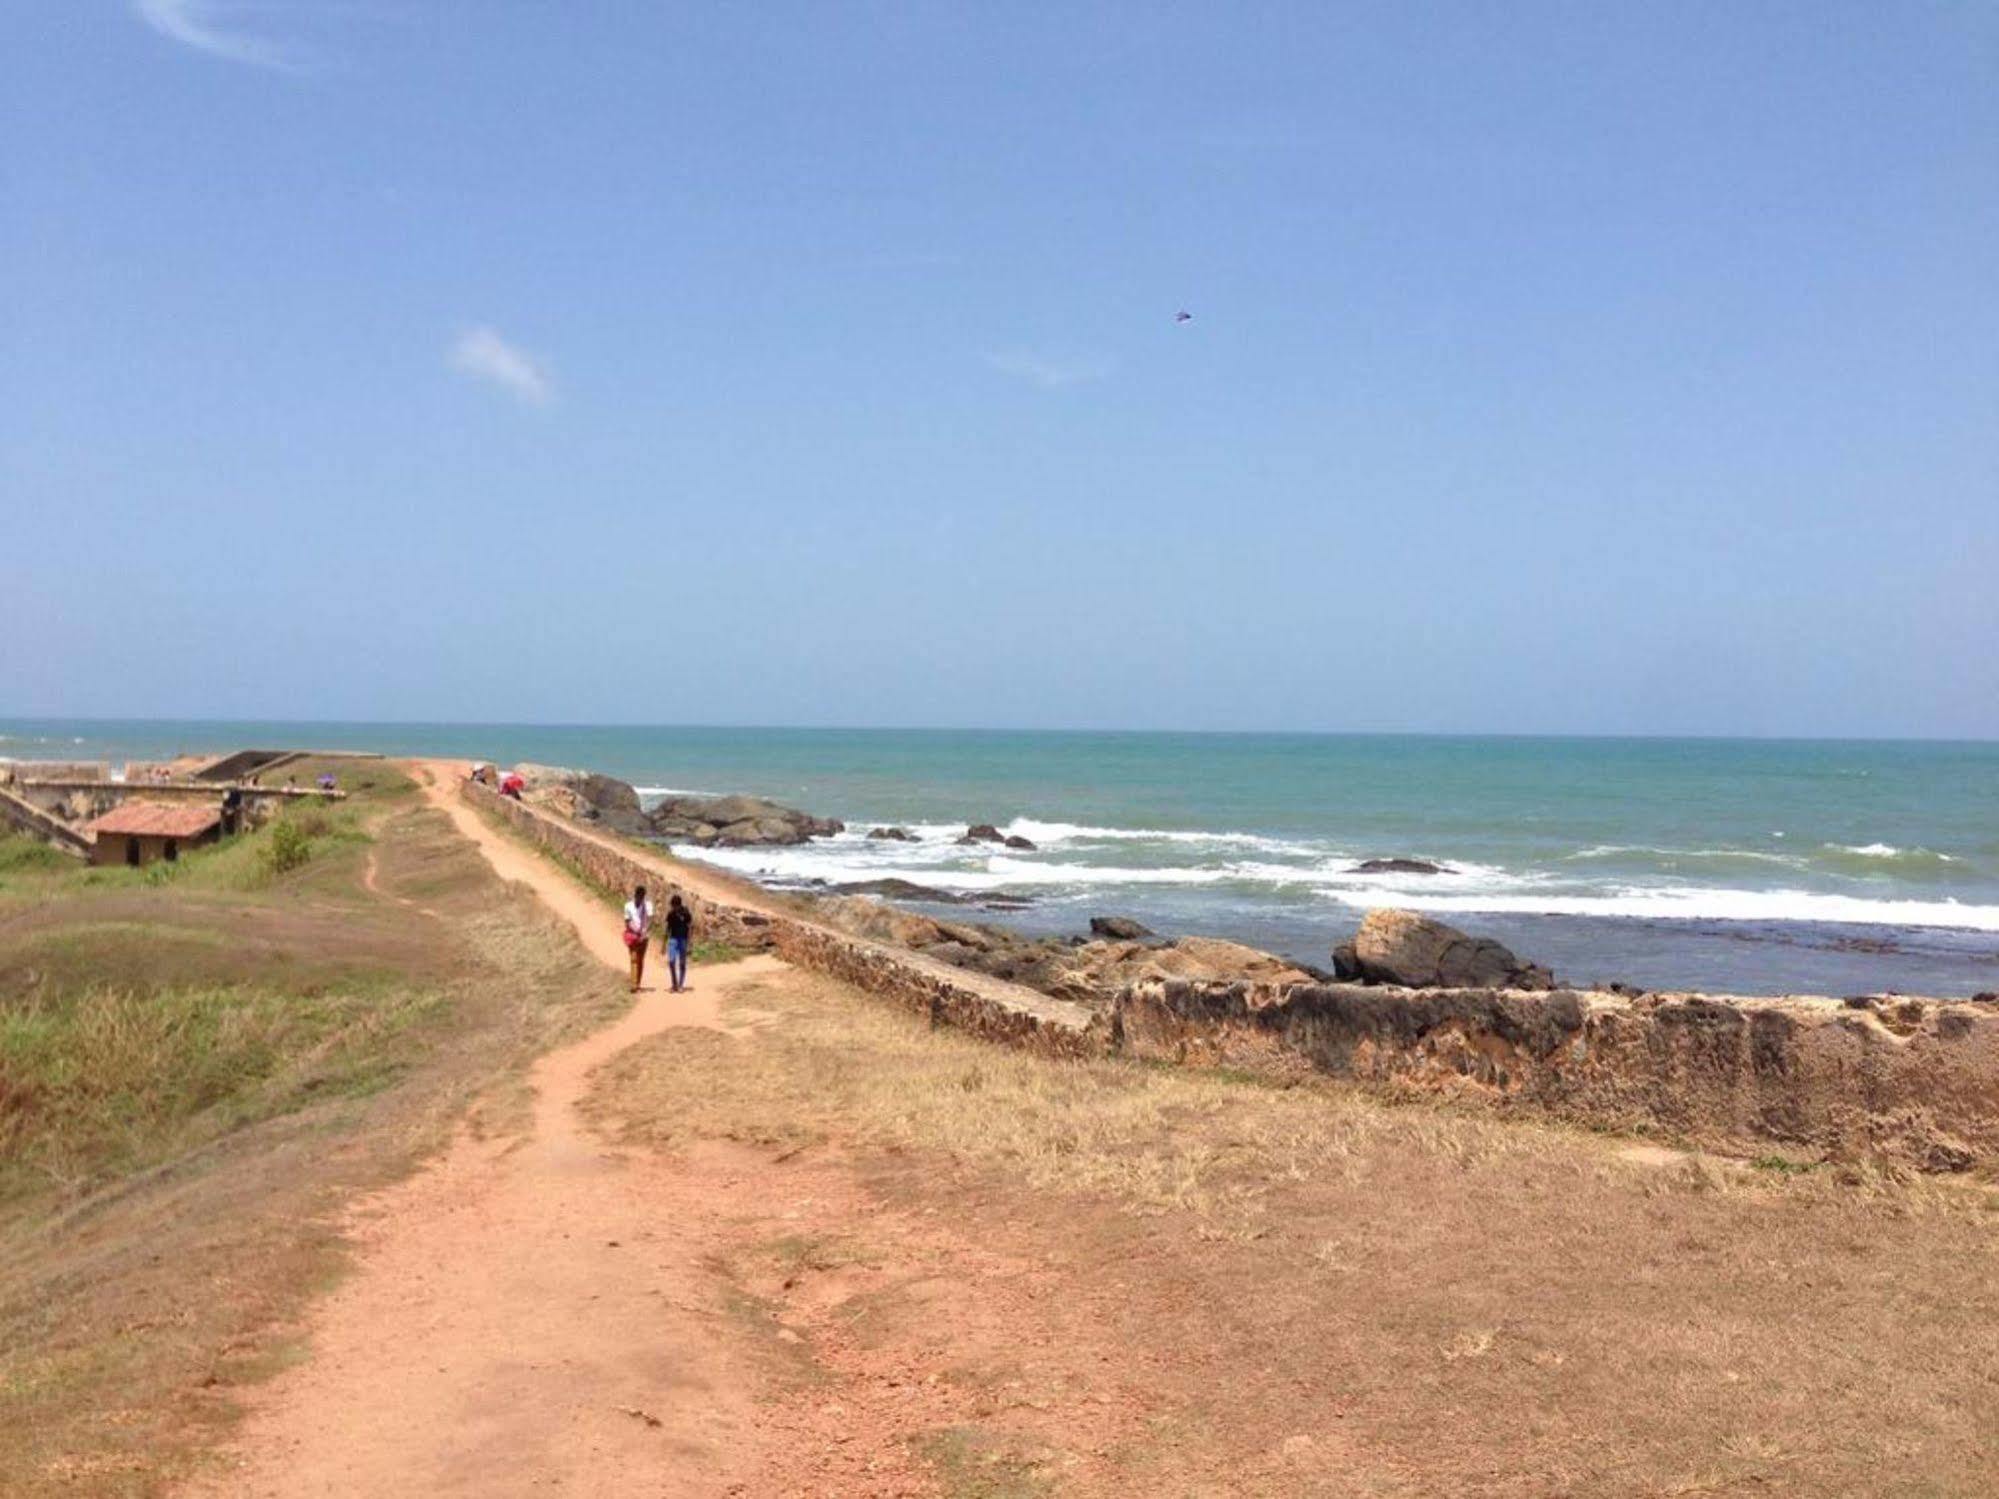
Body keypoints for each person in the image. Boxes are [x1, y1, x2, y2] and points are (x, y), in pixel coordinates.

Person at [622, 884, 653, 992]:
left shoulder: (648, 905)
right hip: (633, 936)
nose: (639, 899)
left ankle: (638, 983)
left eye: (641, 897)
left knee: (640, 960)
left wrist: (644, 932)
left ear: (643, 897)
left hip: (644, 937)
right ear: (635, 895)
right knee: (633, 959)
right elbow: (627, 921)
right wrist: (635, 931)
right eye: (638, 897)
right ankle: (633, 984)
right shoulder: (628, 906)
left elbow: (649, 920)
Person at [663, 894, 693, 992]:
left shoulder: (686, 913)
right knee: (671, 962)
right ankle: (674, 984)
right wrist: (663, 944)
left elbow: (690, 928)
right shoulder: (671, 914)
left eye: (674, 906)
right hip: (673, 939)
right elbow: (667, 929)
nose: (673, 908)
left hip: (683, 940)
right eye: (672, 906)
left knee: (682, 963)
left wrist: (690, 943)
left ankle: (680, 985)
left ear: (679, 905)